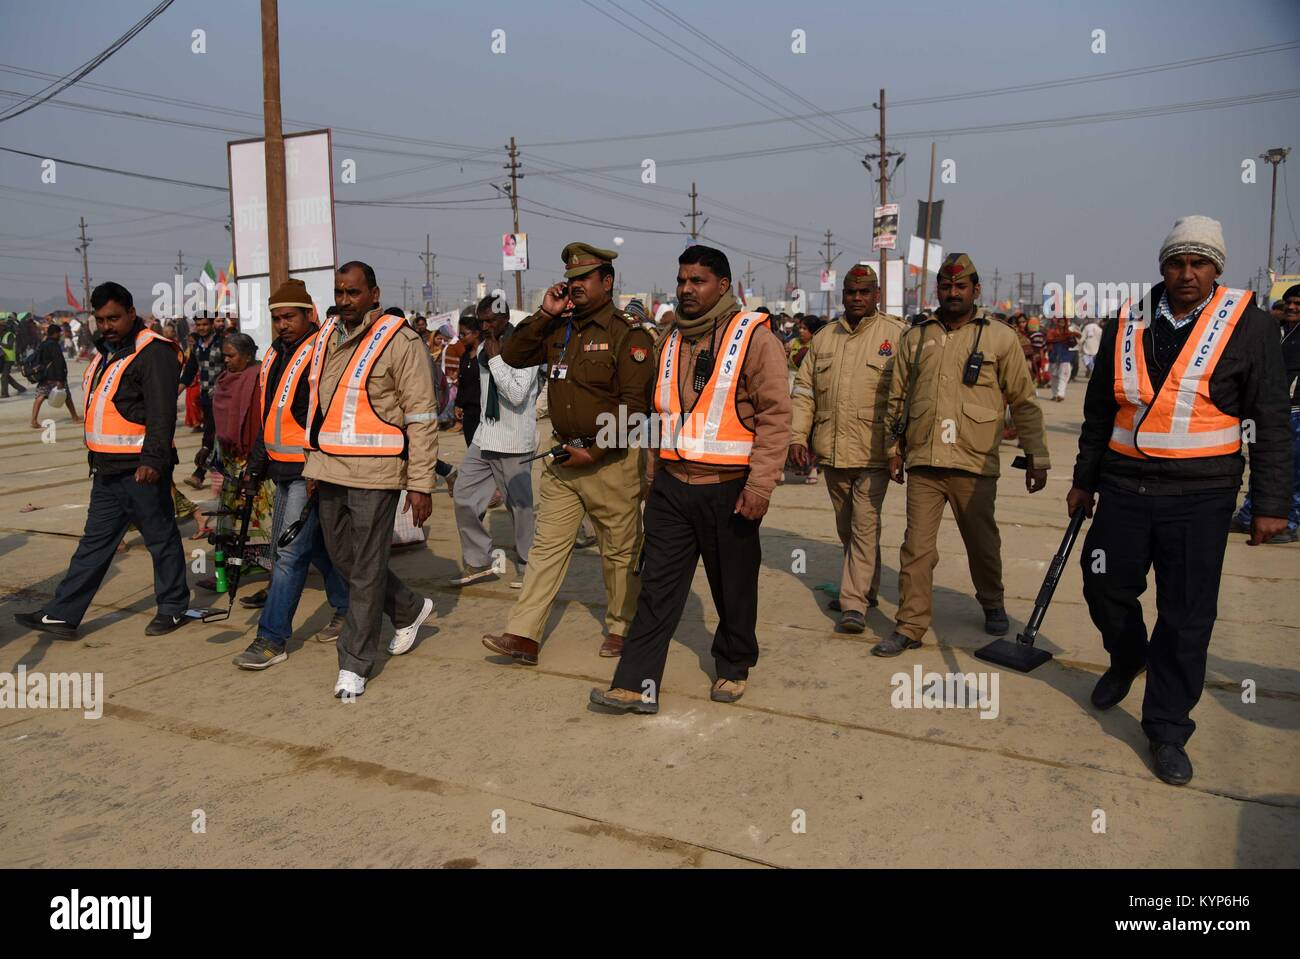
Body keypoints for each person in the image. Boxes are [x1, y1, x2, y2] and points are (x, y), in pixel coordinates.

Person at [1068, 215, 1292, 786]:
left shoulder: (1251, 325)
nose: (1186, 273)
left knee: (1186, 615)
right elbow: (1100, 411)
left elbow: (1268, 417)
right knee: (1103, 585)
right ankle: (1127, 657)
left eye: (1199, 263)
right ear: (1162, 265)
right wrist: (1083, 480)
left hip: (1202, 498)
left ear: (1217, 267)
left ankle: (1167, 728)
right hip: (1122, 488)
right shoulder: (1128, 317)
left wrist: (1270, 503)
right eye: (1176, 262)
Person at [590, 244, 791, 712]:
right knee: (657, 586)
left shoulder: (753, 336)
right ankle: (635, 682)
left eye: (697, 281)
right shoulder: (670, 338)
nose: (686, 289)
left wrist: (761, 485)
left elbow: (776, 416)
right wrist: (651, 473)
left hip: (731, 490)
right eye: (681, 280)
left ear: (722, 286)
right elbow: (663, 412)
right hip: (672, 488)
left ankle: (734, 666)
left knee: (732, 586)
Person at [481, 242, 655, 665]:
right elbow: (511, 356)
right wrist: (544, 313)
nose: (574, 286)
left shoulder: (628, 335)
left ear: (607, 281)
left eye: (583, 279)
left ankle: (621, 626)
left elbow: (634, 409)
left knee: (619, 551)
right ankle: (523, 634)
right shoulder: (559, 328)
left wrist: (594, 454)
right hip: (563, 458)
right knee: (546, 550)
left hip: (610, 460)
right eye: (570, 278)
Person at [876, 253, 1051, 656]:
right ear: (937, 289)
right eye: (945, 286)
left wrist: (1036, 456)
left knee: (981, 543)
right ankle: (910, 625)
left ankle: (992, 600)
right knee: (916, 548)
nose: (952, 293)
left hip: (974, 460)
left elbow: (1023, 401)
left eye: (961, 286)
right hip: (924, 461)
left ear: (976, 290)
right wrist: (893, 448)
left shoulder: (1000, 337)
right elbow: (896, 397)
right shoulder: (915, 337)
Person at [15, 282, 190, 639]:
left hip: (141, 469)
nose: (107, 325)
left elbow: (161, 413)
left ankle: (173, 608)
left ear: (131, 314)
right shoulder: (106, 351)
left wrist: (153, 461)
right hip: (108, 469)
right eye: (100, 319)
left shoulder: (153, 352)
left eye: (114, 318)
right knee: (94, 543)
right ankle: (62, 615)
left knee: (161, 538)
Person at [304, 261, 438, 698]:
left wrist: (420, 483)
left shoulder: (401, 341)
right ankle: (409, 608)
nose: (344, 301)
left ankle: (354, 663)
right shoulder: (328, 335)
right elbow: (319, 406)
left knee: (363, 568)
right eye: (339, 292)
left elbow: (421, 416)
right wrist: (313, 463)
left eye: (353, 293)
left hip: (377, 474)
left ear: (374, 294)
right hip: (330, 469)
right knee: (343, 557)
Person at [231, 280, 349, 669]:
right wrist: (255, 466)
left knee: (287, 552)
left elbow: (328, 412)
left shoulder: (322, 351)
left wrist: (319, 465)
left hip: (308, 469)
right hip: (281, 467)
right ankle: (349, 607)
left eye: (289, 317)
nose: (282, 324)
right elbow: (270, 416)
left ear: (309, 314)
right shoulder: (275, 354)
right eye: (276, 318)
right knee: (315, 547)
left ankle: (271, 638)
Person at [789, 264, 905, 633]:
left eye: (864, 292)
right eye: (851, 292)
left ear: (877, 295)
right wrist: (796, 437)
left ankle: (853, 604)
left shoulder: (898, 337)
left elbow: (905, 399)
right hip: (833, 452)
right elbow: (804, 393)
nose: (857, 298)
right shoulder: (823, 339)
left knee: (864, 526)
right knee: (847, 528)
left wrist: (899, 446)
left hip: (875, 453)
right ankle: (867, 588)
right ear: (843, 295)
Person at [449, 295, 542, 588]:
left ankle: (531, 568)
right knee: (464, 496)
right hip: (485, 435)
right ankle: (479, 562)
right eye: (482, 321)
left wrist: (497, 360)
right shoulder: (484, 347)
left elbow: (517, 394)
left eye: (491, 320)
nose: (486, 326)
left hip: (514, 440)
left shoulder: (526, 347)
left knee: (521, 508)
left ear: (505, 319)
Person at [1231, 283, 1300, 543]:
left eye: (1297, 304)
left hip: (1296, 412)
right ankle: (1248, 515)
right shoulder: (1278, 331)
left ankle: (1289, 522)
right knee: (1261, 465)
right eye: (1288, 302)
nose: (1291, 307)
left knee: (1289, 469)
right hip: (1269, 409)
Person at [179, 313, 225, 489]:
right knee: (213, 437)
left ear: (212, 324)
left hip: (223, 399)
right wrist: (174, 392)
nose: (201, 328)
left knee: (212, 437)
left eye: (205, 324)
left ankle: (199, 474)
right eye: (198, 325)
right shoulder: (197, 346)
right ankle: (211, 474)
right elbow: (190, 371)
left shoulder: (222, 343)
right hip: (206, 399)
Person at [30, 323, 81, 428]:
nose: (60, 335)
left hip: (44, 375)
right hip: (55, 376)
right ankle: (75, 418)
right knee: (67, 397)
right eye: (59, 333)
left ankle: (33, 420)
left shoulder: (43, 344)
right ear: (55, 333)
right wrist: (60, 379)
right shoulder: (54, 345)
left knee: (40, 396)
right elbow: (59, 362)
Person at [1045, 316, 1080, 401]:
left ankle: (1060, 394)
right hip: (1054, 356)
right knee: (1054, 376)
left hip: (1065, 356)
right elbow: (1048, 340)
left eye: (1063, 322)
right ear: (1057, 322)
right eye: (1060, 322)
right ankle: (1054, 394)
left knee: (1064, 376)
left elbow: (1079, 336)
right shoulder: (1052, 332)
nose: (1062, 324)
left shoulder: (1069, 332)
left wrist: (1071, 337)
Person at [0, 315, 26, 397]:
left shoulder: (10, 334)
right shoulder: (1, 335)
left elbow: (9, 346)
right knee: (6, 376)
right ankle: (21, 388)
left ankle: (4, 394)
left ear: (3, 327)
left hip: (9, 359)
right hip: (3, 358)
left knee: (4, 377)